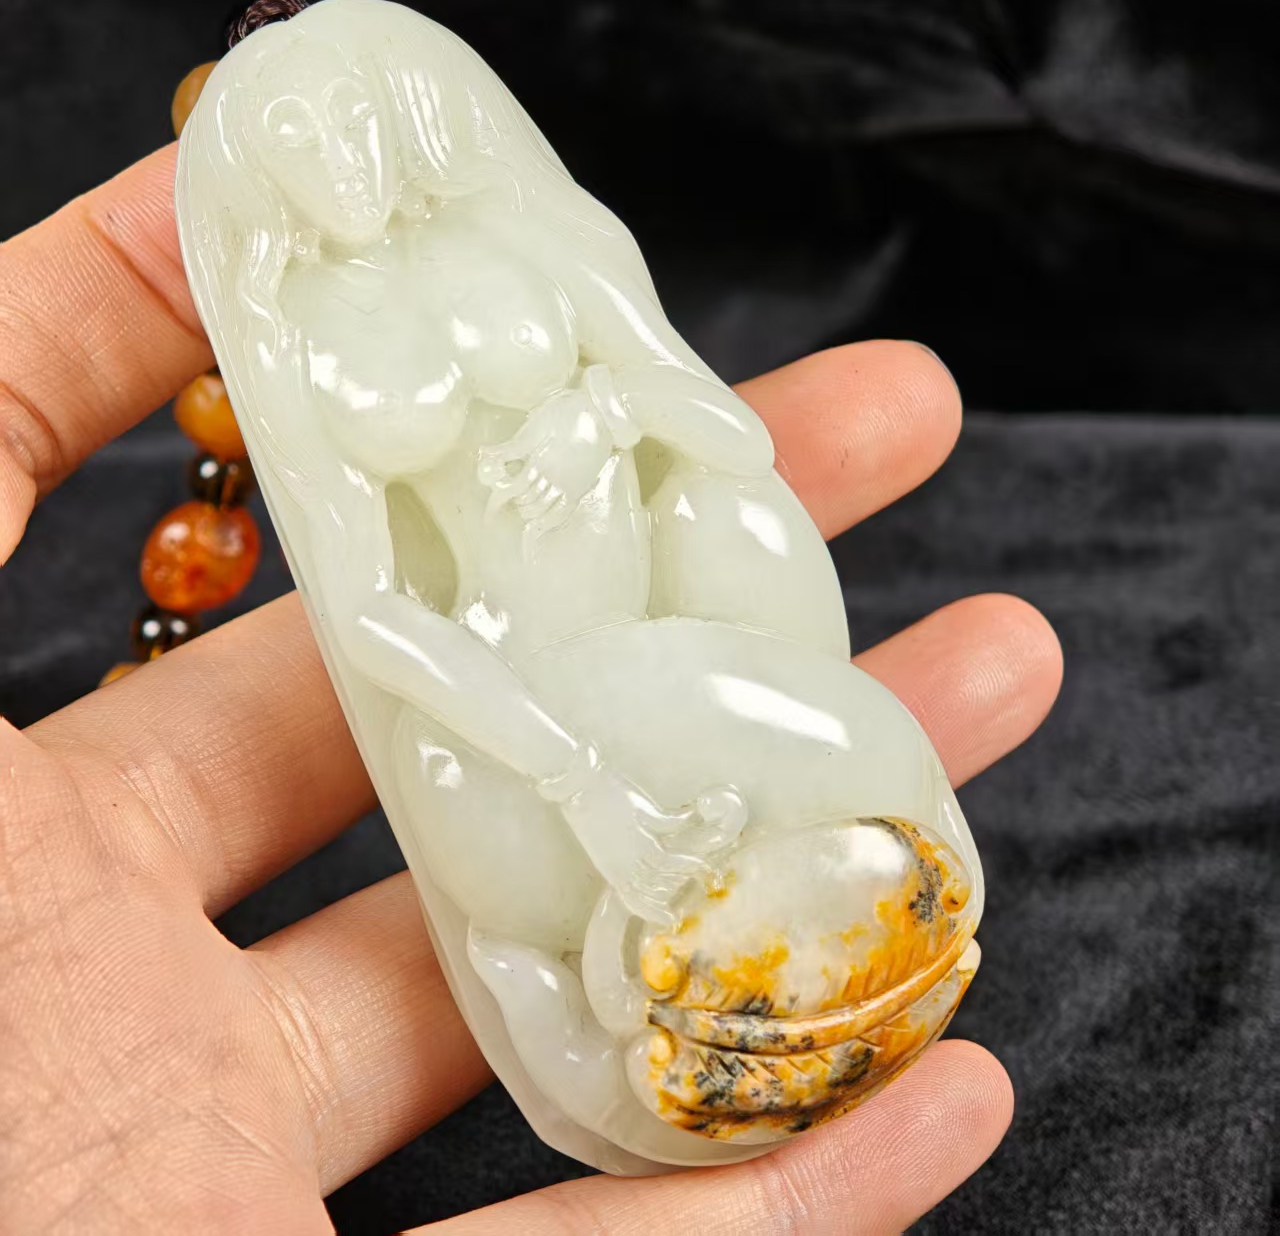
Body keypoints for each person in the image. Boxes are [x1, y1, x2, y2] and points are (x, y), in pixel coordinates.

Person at [0, 137, 1062, 1230]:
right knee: (511, 850)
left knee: (726, 525)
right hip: (502, 692)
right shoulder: (289, 331)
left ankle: (764, 950)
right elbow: (369, 614)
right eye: (301, 137)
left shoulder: (524, 222)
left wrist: (602, 413)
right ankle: (661, 1006)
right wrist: (574, 775)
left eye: (353, 117)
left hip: (684, 622)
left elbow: (729, 438)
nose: (342, 152)